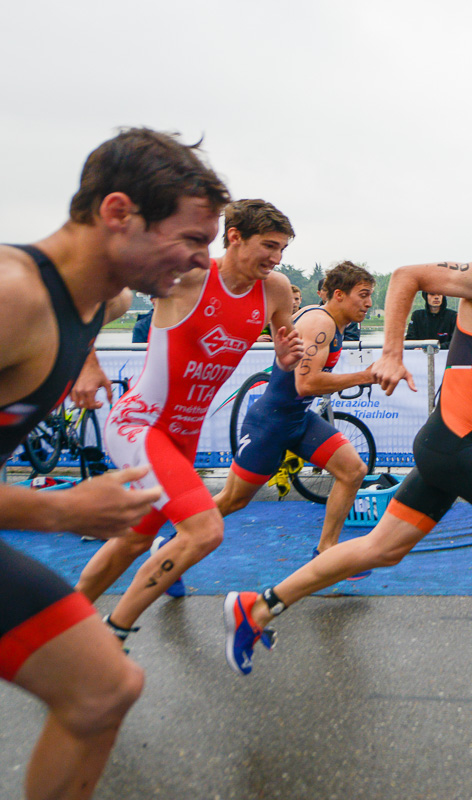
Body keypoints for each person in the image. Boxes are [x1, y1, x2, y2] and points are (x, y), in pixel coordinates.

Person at [221, 199, 472, 701]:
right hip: (450, 447)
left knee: (382, 549)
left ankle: (257, 607)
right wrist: (390, 353)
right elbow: (407, 276)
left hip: (458, 447)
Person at [0, 127, 229, 800]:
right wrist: (64, 508)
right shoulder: (12, 297)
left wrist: (86, 362)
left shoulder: (108, 298)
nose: (196, 263)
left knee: (105, 688)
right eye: (189, 240)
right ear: (119, 213)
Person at [73, 200, 304, 651]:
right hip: (141, 424)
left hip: (183, 438)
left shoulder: (274, 289)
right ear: (234, 235)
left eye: (282, 250)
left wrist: (283, 357)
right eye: (269, 246)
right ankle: (110, 637)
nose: (277, 259)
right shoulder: (189, 275)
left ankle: (58, 625)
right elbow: (94, 295)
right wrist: (85, 363)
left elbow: (284, 342)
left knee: (134, 542)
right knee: (204, 530)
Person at [214, 260, 378, 566]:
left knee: (353, 471)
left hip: (298, 420)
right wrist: (364, 376)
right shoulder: (321, 323)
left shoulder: (333, 324)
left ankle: (325, 551)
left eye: (370, 296)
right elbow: (306, 384)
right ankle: (174, 540)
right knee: (232, 500)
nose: (369, 303)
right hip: (271, 424)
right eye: (364, 294)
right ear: (339, 295)